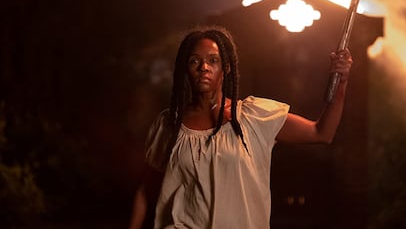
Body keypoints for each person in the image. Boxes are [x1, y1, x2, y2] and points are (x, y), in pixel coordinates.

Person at [129, 25, 353, 229]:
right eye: (195, 61)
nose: (204, 68)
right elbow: (145, 190)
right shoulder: (170, 124)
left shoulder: (254, 117)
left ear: (225, 68)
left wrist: (341, 82)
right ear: (185, 69)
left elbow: (321, 132)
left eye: (213, 60)